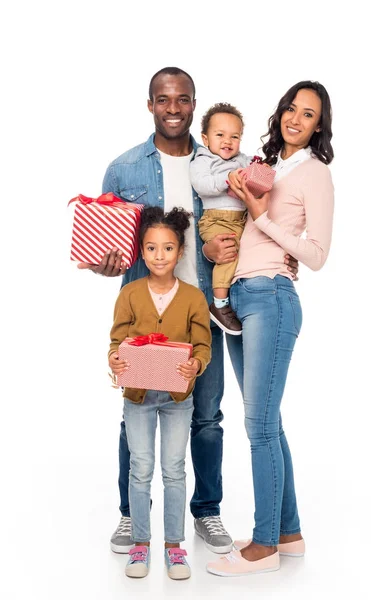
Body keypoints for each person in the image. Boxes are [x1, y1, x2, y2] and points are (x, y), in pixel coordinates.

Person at [78, 67, 299, 555]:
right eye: (163, 99)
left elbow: (256, 215)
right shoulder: (124, 168)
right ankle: (130, 515)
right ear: (150, 103)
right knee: (135, 409)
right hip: (143, 317)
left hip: (203, 314)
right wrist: (103, 265)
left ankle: (207, 511)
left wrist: (274, 254)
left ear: (193, 105)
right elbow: (105, 245)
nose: (172, 108)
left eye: (181, 100)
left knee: (207, 416)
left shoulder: (221, 161)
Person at [206, 80, 335, 577]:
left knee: (258, 425)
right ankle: (289, 533)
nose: (296, 119)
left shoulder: (316, 174)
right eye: (290, 109)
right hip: (238, 300)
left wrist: (263, 218)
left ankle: (264, 546)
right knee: (268, 421)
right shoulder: (266, 165)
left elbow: (318, 255)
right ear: (280, 113)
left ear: (319, 125)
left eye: (308, 114)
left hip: (271, 299)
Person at [109, 206, 211, 579]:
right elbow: (117, 340)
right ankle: (140, 544)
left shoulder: (193, 298)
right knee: (141, 469)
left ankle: (174, 546)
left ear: (180, 252)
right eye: (151, 248)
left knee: (173, 470)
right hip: (137, 396)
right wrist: (116, 360)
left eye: (168, 249)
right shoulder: (131, 294)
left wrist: (195, 366)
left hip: (177, 399)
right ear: (141, 251)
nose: (159, 256)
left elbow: (202, 346)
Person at [190, 103, 251, 336]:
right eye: (220, 135)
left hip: (241, 219)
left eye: (234, 136)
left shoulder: (242, 160)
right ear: (205, 139)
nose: (228, 141)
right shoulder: (203, 161)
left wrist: (257, 173)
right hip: (215, 221)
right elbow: (202, 185)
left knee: (249, 253)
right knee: (227, 254)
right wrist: (228, 178)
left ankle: (237, 297)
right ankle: (219, 304)